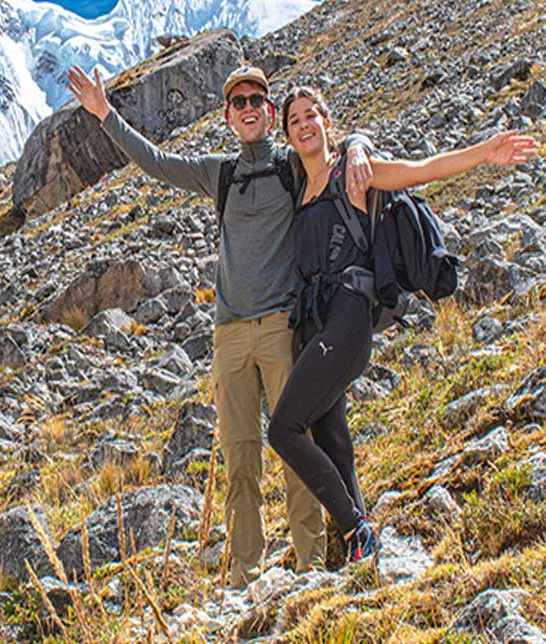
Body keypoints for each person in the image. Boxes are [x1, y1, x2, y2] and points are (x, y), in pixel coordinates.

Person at [67, 63, 374, 585]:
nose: (250, 107)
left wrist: (361, 143)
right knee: (239, 459)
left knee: (296, 446)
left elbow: (330, 146)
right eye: (240, 102)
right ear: (228, 117)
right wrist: (105, 116)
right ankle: (245, 573)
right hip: (229, 333)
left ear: (269, 112)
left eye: (257, 100)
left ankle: (310, 563)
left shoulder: (290, 166)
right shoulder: (220, 173)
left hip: (282, 326)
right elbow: (157, 162)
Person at [268, 85, 538, 562]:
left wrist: (485, 153)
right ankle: (360, 547)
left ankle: (356, 530)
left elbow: (424, 170)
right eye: (295, 120)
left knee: (284, 428)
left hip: (348, 315)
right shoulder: (294, 184)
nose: (305, 125)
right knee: (329, 432)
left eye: (313, 115)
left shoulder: (356, 175)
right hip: (311, 321)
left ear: (328, 123)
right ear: (287, 134)